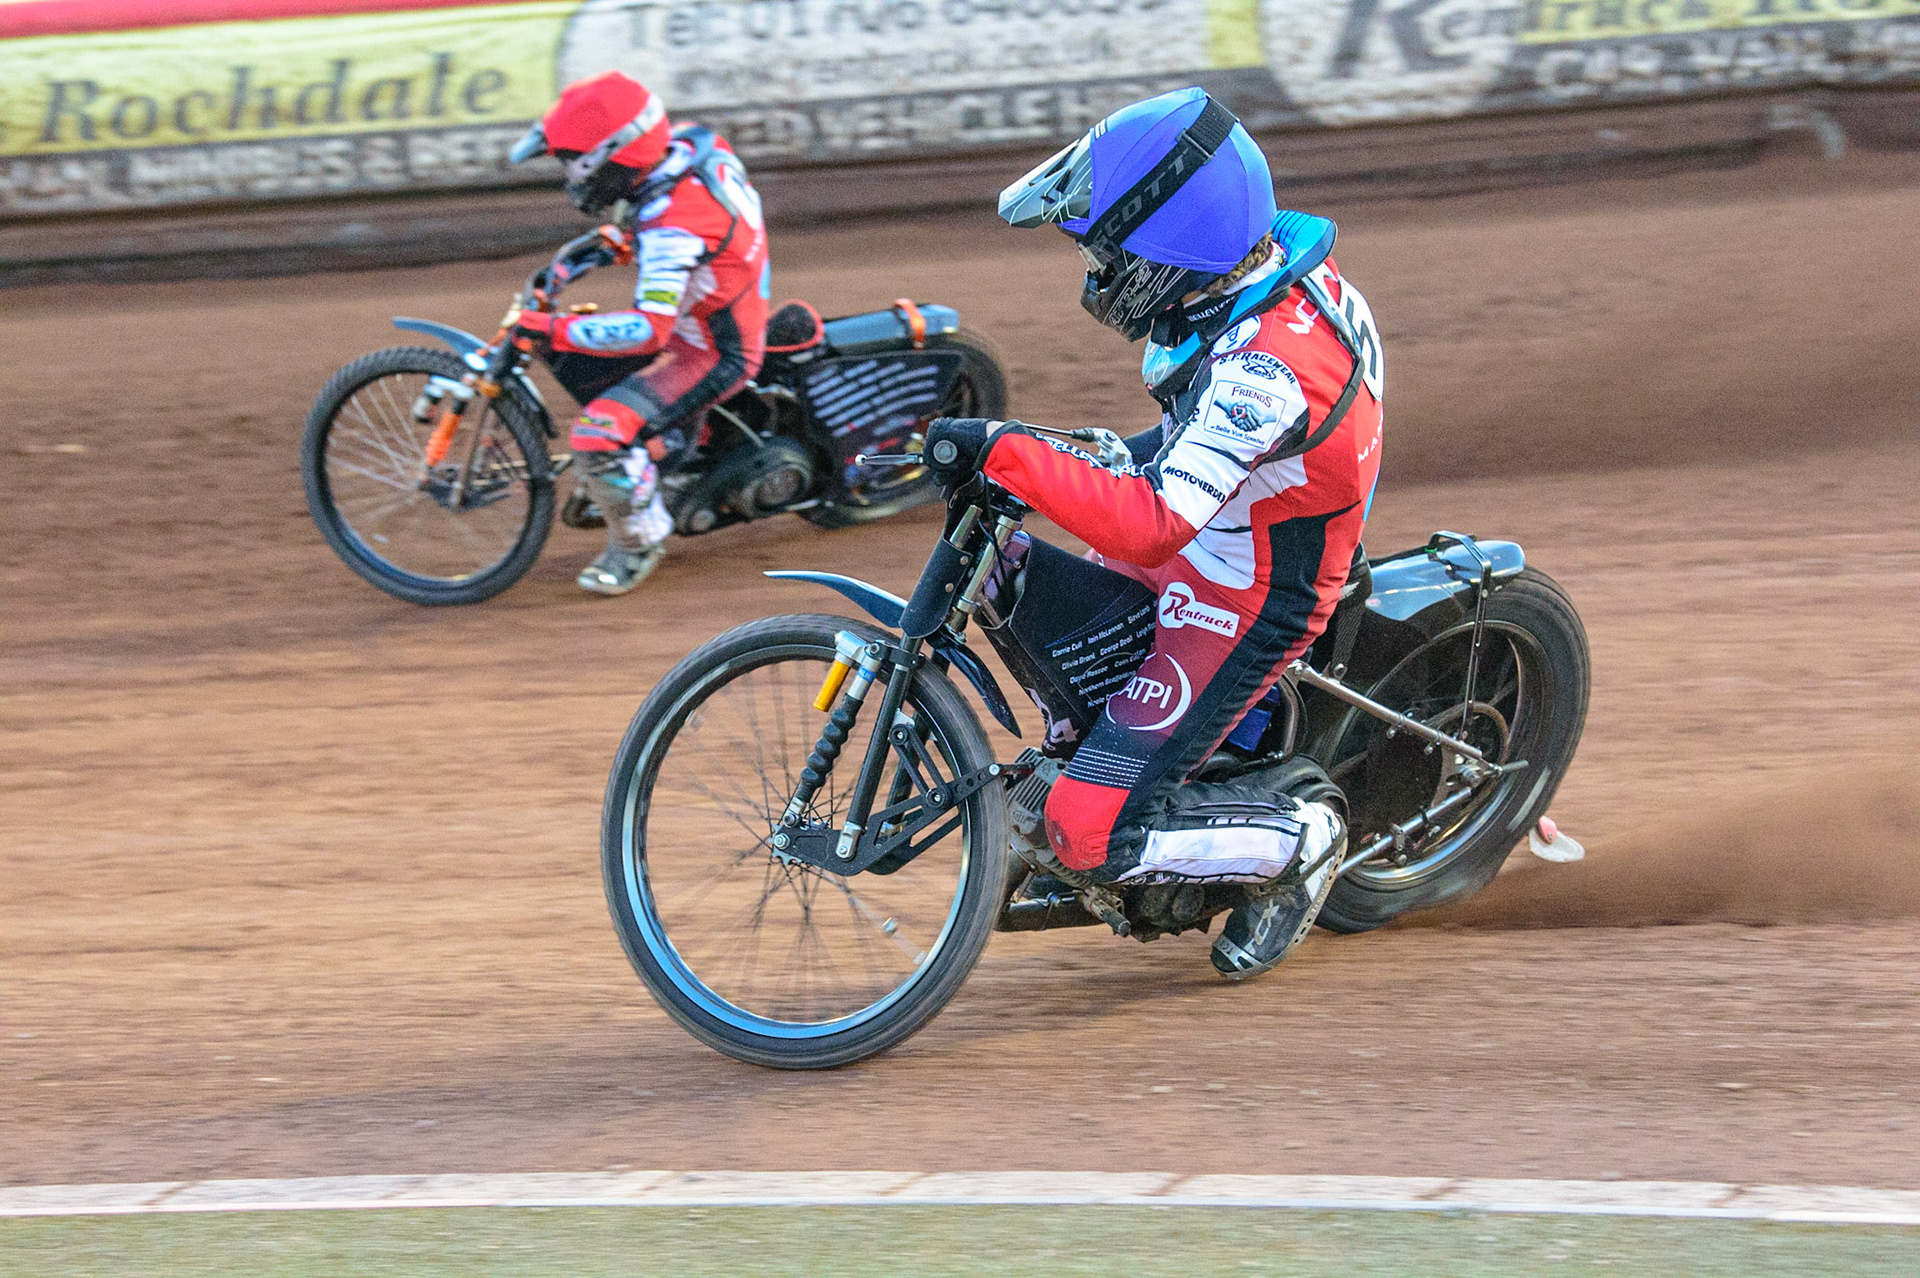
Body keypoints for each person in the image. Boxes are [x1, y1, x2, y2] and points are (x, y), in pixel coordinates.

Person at [923, 87, 1386, 979]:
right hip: (1217, 521)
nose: (1097, 266)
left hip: (1246, 591)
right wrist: (1064, 456)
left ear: (1173, 241)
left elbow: (1150, 525)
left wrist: (1013, 451)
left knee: (1083, 828)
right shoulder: (1247, 285)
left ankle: (1301, 841)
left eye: (1108, 247)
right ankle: (1096, 744)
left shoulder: (1270, 364)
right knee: (998, 570)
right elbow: (1178, 466)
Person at [506, 71, 770, 595]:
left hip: (712, 351)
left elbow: (648, 331)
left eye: (571, 163)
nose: (569, 177)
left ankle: (637, 543)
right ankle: (663, 447)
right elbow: (665, 217)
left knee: (595, 435)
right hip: (721, 298)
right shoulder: (690, 143)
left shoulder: (674, 227)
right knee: (580, 347)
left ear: (613, 158)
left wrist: (554, 328)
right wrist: (611, 244)